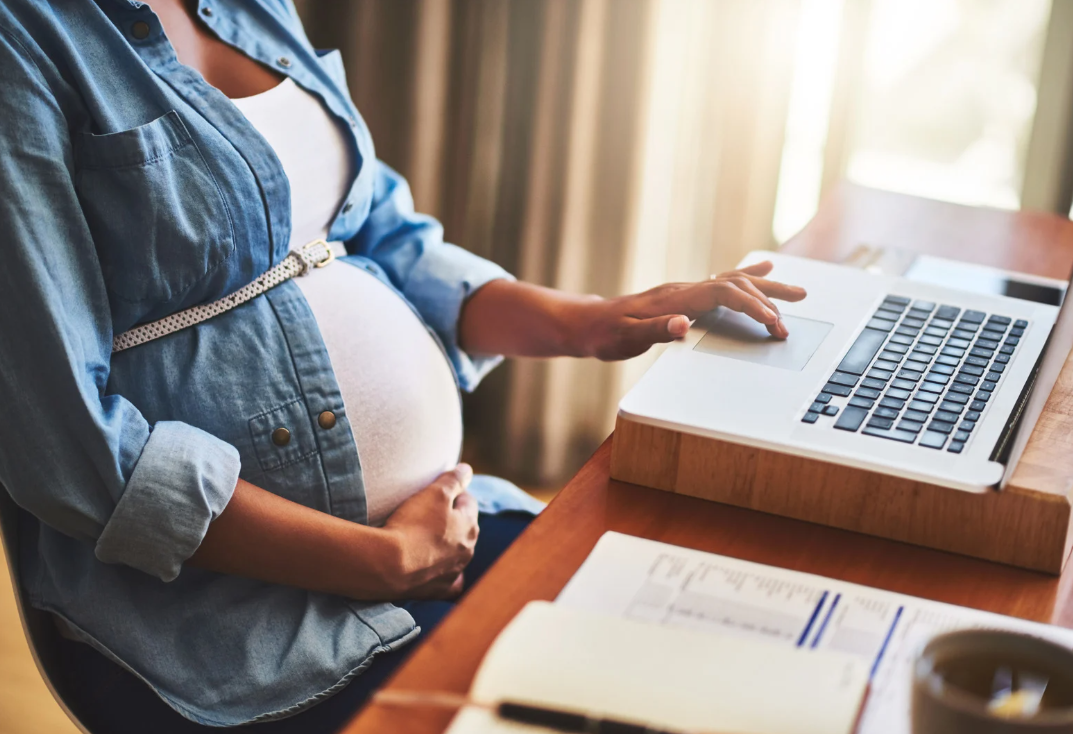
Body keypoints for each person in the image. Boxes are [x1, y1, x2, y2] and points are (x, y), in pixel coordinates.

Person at [0, 0, 806, 731]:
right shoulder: (23, 39)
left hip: (434, 529)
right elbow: (66, 448)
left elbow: (377, 224)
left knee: (697, 657)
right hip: (233, 624)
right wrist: (380, 563)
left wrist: (597, 321)